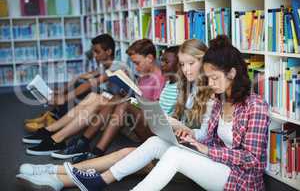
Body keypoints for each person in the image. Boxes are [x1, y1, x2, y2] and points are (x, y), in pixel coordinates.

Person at [60, 35, 269, 191]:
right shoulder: (218, 100)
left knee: (175, 154)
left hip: (241, 179)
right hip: (218, 163)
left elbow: (253, 160)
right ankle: (100, 181)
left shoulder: (256, 106)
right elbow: (207, 136)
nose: (210, 84)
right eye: (208, 78)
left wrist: (206, 151)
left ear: (232, 73)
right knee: (156, 143)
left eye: (214, 78)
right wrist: (191, 136)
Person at [16, 39, 214, 190]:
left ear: (204, 62)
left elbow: (206, 137)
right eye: (183, 64)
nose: (185, 69)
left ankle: (59, 175)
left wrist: (184, 130)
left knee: (128, 153)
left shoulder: (211, 94)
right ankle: (56, 173)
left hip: (192, 156)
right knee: (125, 152)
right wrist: (174, 125)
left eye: (191, 64)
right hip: (176, 144)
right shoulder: (188, 88)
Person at [52, 46, 180, 162]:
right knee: (116, 98)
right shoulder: (165, 82)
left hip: (155, 126)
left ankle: (90, 147)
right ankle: (86, 144)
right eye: (162, 60)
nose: (162, 64)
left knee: (118, 102)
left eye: (166, 62)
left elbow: (157, 107)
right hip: (148, 119)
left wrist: (137, 99)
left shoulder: (165, 81)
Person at [22, 34, 125, 155]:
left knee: (95, 97)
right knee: (93, 96)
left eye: (97, 52)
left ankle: (56, 137)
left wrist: (64, 98)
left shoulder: (117, 66)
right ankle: (50, 131)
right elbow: (84, 77)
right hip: (108, 103)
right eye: (94, 52)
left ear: (109, 51)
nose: (95, 56)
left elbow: (91, 83)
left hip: (118, 108)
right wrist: (61, 92)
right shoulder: (105, 65)